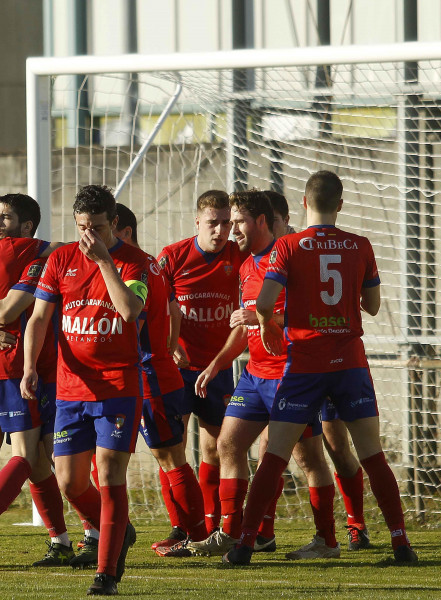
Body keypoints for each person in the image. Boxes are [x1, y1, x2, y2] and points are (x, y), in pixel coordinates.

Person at [224, 171, 417, 565]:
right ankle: (401, 544)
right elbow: (374, 306)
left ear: (304, 203)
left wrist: (266, 324)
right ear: (340, 205)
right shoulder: (360, 245)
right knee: (371, 455)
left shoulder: (290, 246)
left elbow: (263, 304)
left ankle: (244, 545)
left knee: (274, 455)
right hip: (349, 363)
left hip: (305, 365)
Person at [186, 189, 338, 560]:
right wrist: (217, 363)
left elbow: (311, 318)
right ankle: (228, 532)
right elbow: (243, 326)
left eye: (237, 221)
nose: (231, 228)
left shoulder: (290, 258)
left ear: (261, 222)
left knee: (309, 459)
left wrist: (263, 316)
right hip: (255, 375)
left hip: (291, 374)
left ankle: (326, 540)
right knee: (228, 444)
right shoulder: (245, 264)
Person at [21, 185, 147, 596]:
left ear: (114, 224)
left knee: (110, 474)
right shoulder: (60, 259)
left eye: (95, 227)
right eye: (81, 228)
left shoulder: (136, 262)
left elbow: (129, 311)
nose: (87, 236)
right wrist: (28, 368)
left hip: (117, 388)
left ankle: (106, 574)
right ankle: (118, 528)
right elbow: (39, 318)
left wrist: (105, 262)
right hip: (71, 390)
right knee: (69, 482)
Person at [0, 194, 73, 570]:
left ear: (24, 225)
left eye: (5, 216)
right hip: (10, 362)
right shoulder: (27, 249)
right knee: (25, 452)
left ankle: (59, 540)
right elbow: (61, 248)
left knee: (8, 454)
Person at [112, 204, 207, 555]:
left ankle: (197, 537)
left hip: (150, 375)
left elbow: (142, 317)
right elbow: (174, 310)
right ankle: (182, 531)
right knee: (153, 459)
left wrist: (162, 352)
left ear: (124, 232)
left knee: (171, 458)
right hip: (148, 371)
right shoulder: (152, 264)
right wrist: (169, 347)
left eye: (107, 231)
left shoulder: (135, 268)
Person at [156, 190, 247, 537]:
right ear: (197, 221)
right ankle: (181, 526)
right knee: (173, 449)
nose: (221, 230)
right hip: (178, 369)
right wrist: (171, 344)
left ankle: (211, 525)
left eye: (226, 223)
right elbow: (155, 309)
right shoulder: (172, 257)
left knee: (216, 446)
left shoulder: (239, 256)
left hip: (218, 369)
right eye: (213, 223)